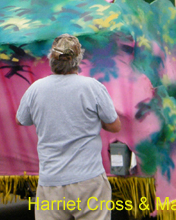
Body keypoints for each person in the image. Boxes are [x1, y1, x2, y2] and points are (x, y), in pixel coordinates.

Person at [16, 34, 121, 219]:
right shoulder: (92, 87)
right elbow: (115, 126)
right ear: (77, 59)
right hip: (89, 182)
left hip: (51, 183)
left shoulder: (36, 89)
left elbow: (21, 120)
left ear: (51, 59)